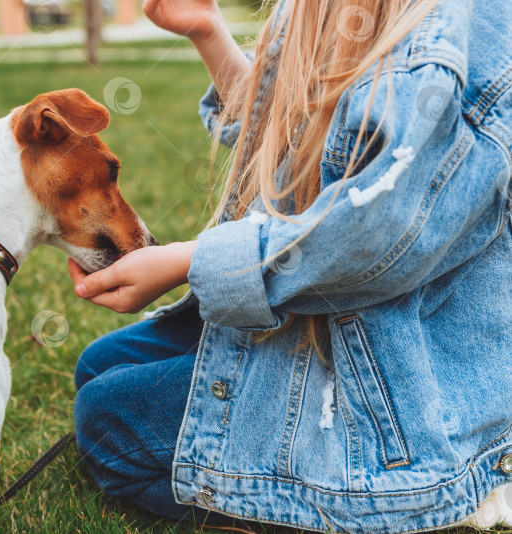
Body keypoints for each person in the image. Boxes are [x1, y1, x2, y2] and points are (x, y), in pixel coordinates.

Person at [67, 0, 512, 532]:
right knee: (99, 364)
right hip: (321, 318)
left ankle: (402, 502)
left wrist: (191, 260)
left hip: (402, 368)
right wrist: (206, 31)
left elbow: (374, 235)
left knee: (105, 420)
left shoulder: (444, 30)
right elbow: (289, 131)